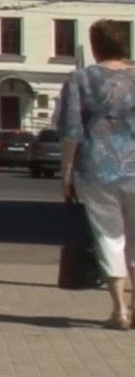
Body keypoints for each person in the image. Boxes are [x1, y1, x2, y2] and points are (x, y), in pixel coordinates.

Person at [58, 19, 135, 329]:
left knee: (109, 236)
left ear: (95, 45)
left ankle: (120, 310)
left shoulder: (81, 79)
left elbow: (70, 130)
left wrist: (66, 172)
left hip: (96, 167)